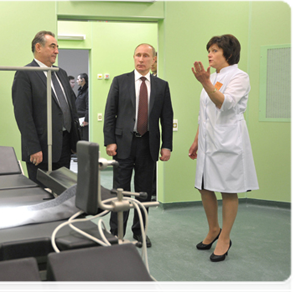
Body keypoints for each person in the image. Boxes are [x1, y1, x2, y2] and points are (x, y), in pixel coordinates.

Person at [189, 34, 259, 262]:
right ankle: (213, 229)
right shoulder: (215, 76)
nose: (209, 54)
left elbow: (225, 103)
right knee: (204, 186)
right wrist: (197, 139)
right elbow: (205, 114)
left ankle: (225, 238)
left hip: (229, 140)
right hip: (208, 140)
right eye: (209, 49)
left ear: (228, 53)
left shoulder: (240, 76)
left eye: (215, 50)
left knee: (228, 190)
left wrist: (205, 82)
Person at [104, 43, 173, 248]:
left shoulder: (161, 86)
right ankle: (116, 233)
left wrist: (166, 145)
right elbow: (110, 113)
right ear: (133, 58)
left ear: (153, 60)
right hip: (123, 144)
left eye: (146, 56)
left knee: (144, 192)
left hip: (148, 145)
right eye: (138, 55)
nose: (141, 59)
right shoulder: (120, 81)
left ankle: (140, 232)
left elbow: (167, 118)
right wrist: (110, 141)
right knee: (121, 191)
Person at [12, 31, 80, 185]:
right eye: (52, 46)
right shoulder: (26, 74)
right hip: (41, 149)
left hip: (64, 145)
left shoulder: (61, 73)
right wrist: (33, 148)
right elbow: (23, 115)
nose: (56, 51)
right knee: (42, 195)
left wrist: (75, 142)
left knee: (63, 192)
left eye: (57, 47)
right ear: (38, 47)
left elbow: (71, 108)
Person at [76, 73, 89, 141]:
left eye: (78, 79)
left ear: (83, 80)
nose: (76, 81)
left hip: (84, 119)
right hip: (79, 118)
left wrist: (86, 119)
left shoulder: (87, 91)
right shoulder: (80, 91)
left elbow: (88, 106)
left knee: (84, 138)